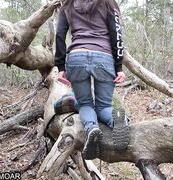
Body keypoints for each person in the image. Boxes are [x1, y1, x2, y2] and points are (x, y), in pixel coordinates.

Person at [54, 0, 125, 160]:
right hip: (104, 57)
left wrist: (60, 67)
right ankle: (120, 122)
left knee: (85, 104)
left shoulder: (68, 5)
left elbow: (60, 34)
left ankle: (92, 129)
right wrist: (119, 66)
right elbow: (117, 34)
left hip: (76, 57)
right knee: (104, 106)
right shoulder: (108, 3)